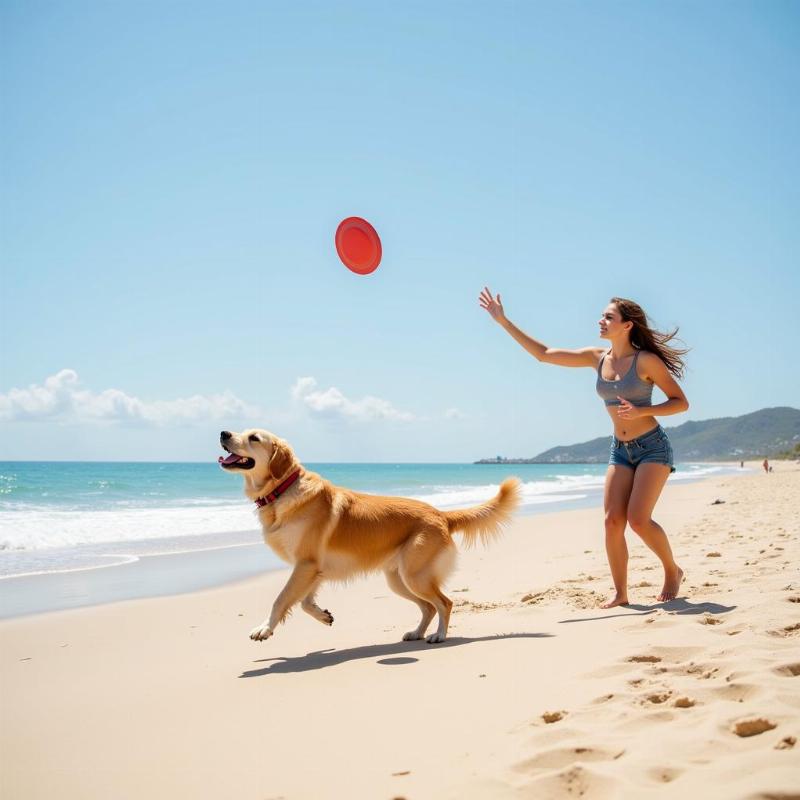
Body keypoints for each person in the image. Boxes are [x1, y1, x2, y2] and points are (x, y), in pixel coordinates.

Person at [479, 289, 690, 607]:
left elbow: (681, 403)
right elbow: (545, 354)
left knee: (638, 520)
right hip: (620, 449)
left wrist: (642, 411)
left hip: (652, 448)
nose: (601, 320)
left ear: (627, 325)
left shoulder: (645, 361)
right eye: (603, 315)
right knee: (611, 521)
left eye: (609, 317)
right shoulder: (597, 358)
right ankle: (621, 593)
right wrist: (503, 320)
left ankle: (672, 571)